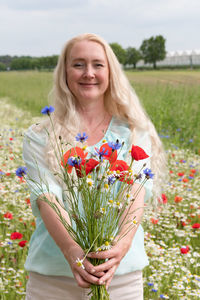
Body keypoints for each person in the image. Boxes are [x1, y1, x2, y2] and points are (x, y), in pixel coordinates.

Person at [23, 33, 166, 300]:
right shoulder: (40, 137)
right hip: (53, 280)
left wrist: (121, 248)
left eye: (97, 65)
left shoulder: (133, 133)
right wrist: (72, 251)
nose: (88, 73)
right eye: (78, 64)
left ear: (110, 72)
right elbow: (46, 197)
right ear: (64, 72)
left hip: (119, 277)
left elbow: (137, 192)